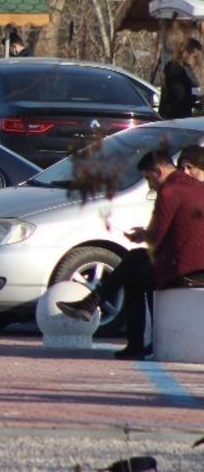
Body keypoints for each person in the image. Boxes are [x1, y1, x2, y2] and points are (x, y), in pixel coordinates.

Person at [57, 150, 204, 359]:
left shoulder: (170, 191)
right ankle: (94, 305)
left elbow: (156, 237)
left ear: (158, 171)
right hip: (197, 266)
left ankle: (109, 318)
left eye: (148, 178)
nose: (150, 185)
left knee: (134, 270)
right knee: (136, 260)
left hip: (185, 270)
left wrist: (141, 235)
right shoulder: (196, 187)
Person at [158, 38, 200, 120]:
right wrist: (197, 96)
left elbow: (192, 88)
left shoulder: (188, 68)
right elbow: (180, 95)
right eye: (194, 55)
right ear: (185, 53)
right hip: (173, 118)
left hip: (185, 116)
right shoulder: (173, 68)